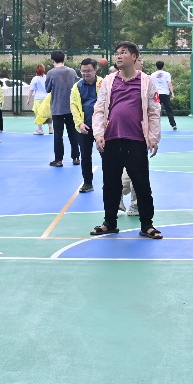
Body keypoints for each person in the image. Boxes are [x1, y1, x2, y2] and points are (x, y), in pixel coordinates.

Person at [90, 41, 162, 239]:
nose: (119, 56)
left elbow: (154, 111)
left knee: (142, 184)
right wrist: (99, 134)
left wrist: (153, 137)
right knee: (110, 184)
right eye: (117, 53)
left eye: (123, 53)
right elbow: (99, 108)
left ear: (134, 56)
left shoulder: (146, 81)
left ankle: (147, 225)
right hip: (111, 139)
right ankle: (109, 223)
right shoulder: (109, 81)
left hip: (136, 140)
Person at [72, 57, 102, 193]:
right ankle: (87, 183)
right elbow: (74, 106)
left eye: (88, 71)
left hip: (102, 127)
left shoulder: (103, 83)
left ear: (95, 70)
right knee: (85, 156)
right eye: (83, 71)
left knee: (106, 155)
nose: (85, 74)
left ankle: (110, 182)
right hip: (85, 127)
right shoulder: (76, 86)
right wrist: (80, 123)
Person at [46, 50, 81, 167]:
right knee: (73, 133)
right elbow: (77, 86)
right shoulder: (72, 71)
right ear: (64, 59)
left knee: (58, 135)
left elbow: (47, 89)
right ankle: (76, 157)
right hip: (71, 108)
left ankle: (58, 160)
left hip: (57, 108)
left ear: (52, 60)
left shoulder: (51, 73)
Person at [151, 60, 178, 131]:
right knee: (168, 110)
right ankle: (173, 124)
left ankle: (154, 125)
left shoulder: (152, 75)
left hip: (156, 94)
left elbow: (151, 85)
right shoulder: (167, 74)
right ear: (163, 66)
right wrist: (172, 93)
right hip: (165, 94)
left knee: (155, 110)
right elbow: (169, 84)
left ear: (156, 66)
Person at [29, 64, 51, 135]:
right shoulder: (47, 77)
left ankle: (40, 129)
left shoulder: (35, 79)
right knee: (48, 114)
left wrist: (28, 99)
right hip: (47, 98)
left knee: (38, 114)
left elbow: (31, 89)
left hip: (38, 99)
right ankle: (50, 128)